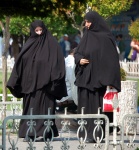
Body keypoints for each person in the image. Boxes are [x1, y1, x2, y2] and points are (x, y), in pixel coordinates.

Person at [7, 20, 67, 141]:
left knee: (46, 109)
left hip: (47, 87)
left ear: (44, 29)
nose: (39, 33)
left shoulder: (52, 44)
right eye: (36, 31)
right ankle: (29, 133)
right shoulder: (29, 44)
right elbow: (21, 61)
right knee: (30, 109)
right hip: (30, 85)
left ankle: (46, 133)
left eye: (41, 30)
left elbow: (58, 62)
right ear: (32, 31)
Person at [74, 11, 121, 143]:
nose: (87, 25)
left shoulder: (106, 38)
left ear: (95, 21)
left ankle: (98, 134)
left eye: (89, 22)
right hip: (85, 79)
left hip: (99, 81)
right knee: (85, 107)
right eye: (86, 22)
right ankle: (85, 134)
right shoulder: (86, 36)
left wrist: (111, 80)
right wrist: (79, 60)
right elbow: (77, 52)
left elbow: (112, 60)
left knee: (97, 108)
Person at [56, 42, 78, 113]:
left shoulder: (66, 60)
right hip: (68, 99)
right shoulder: (71, 62)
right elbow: (73, 82)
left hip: (64, 98)